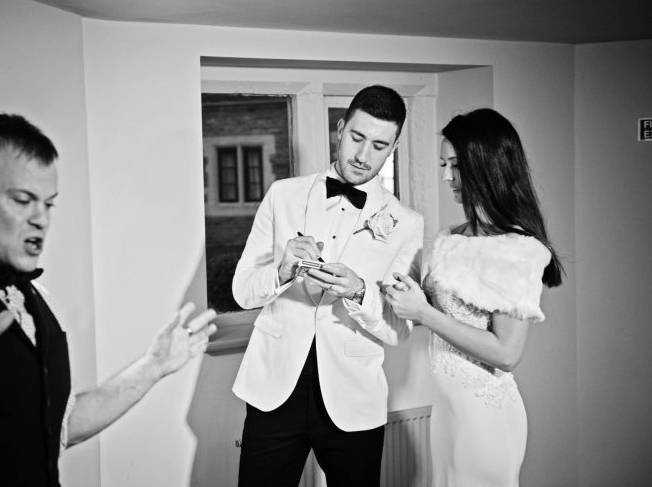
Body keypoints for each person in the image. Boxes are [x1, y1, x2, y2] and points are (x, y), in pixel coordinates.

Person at [0, 114, 217, 486]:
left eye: (49, 203)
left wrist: (153, 366)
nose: (41, 219)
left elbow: (60, 426)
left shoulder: (35, 298)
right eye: (23, 200)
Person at [232, 85, 424, 487]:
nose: (363, 156)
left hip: (353, 397)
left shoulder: (406, 223)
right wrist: (282, 271)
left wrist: (358, 292)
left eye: (379, 145)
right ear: (340, 129)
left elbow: (398, 329)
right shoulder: (282, 195)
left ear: (393, 147)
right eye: (356, 138)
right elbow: (243, 291)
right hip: (274, 389)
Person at [384, 108, 564, 487]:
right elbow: (431, 312)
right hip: (448, 411)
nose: (447, 175)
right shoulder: (452, 236)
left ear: (487, 165)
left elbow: (507, 354)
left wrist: (424, 313)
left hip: (485, 417)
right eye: (443, 163)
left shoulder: (517, 249)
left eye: (457, 164)